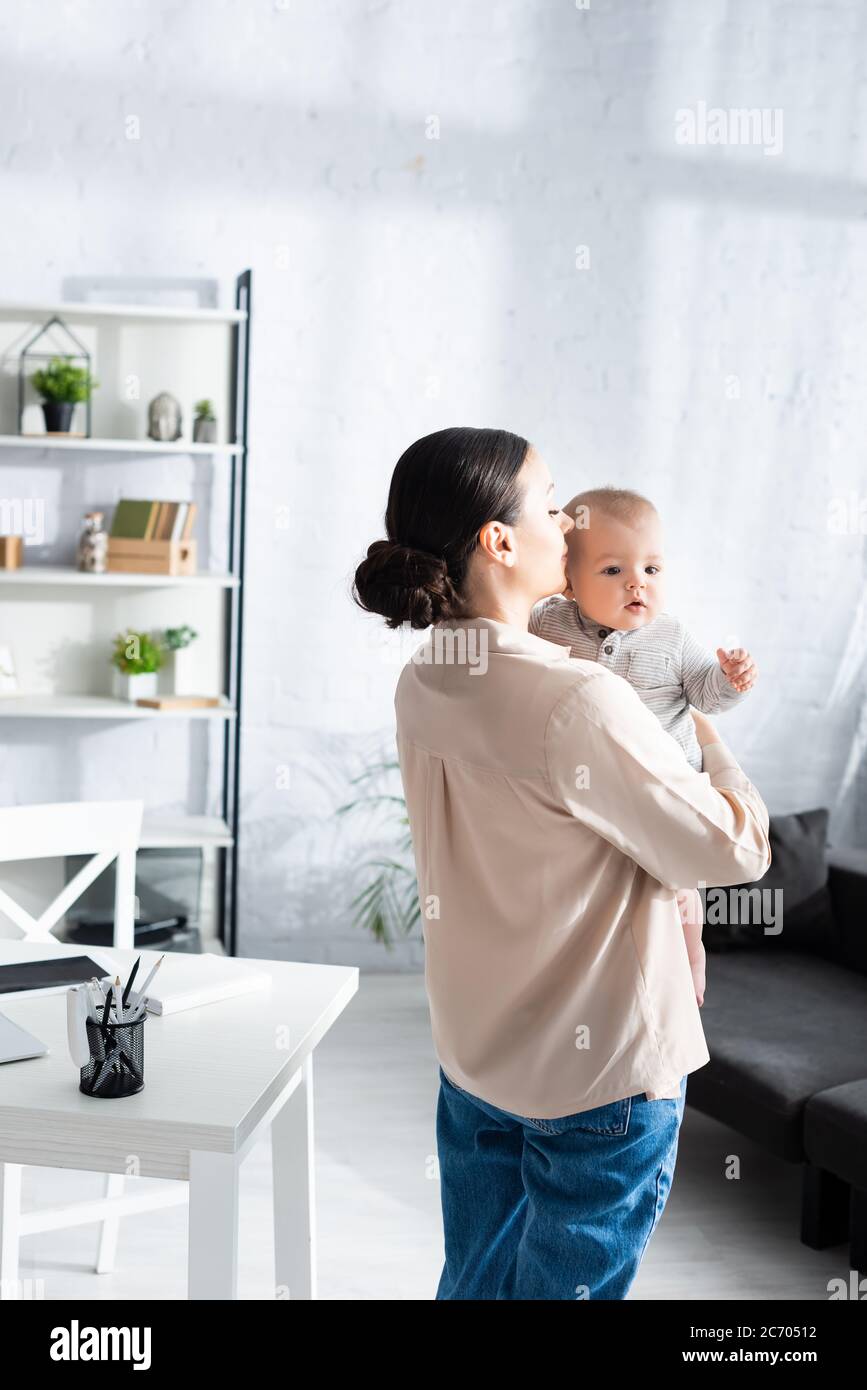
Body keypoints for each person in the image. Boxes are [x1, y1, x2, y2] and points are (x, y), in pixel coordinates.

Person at [352, 426, 771, 1300]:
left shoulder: (426, 675)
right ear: (498, 540)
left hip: (476, 1056)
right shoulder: (578, 698)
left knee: (472, 1287)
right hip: (599, 1079)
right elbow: (734, 850)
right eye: (550, 506)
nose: (567, 522)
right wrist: (705, 733)